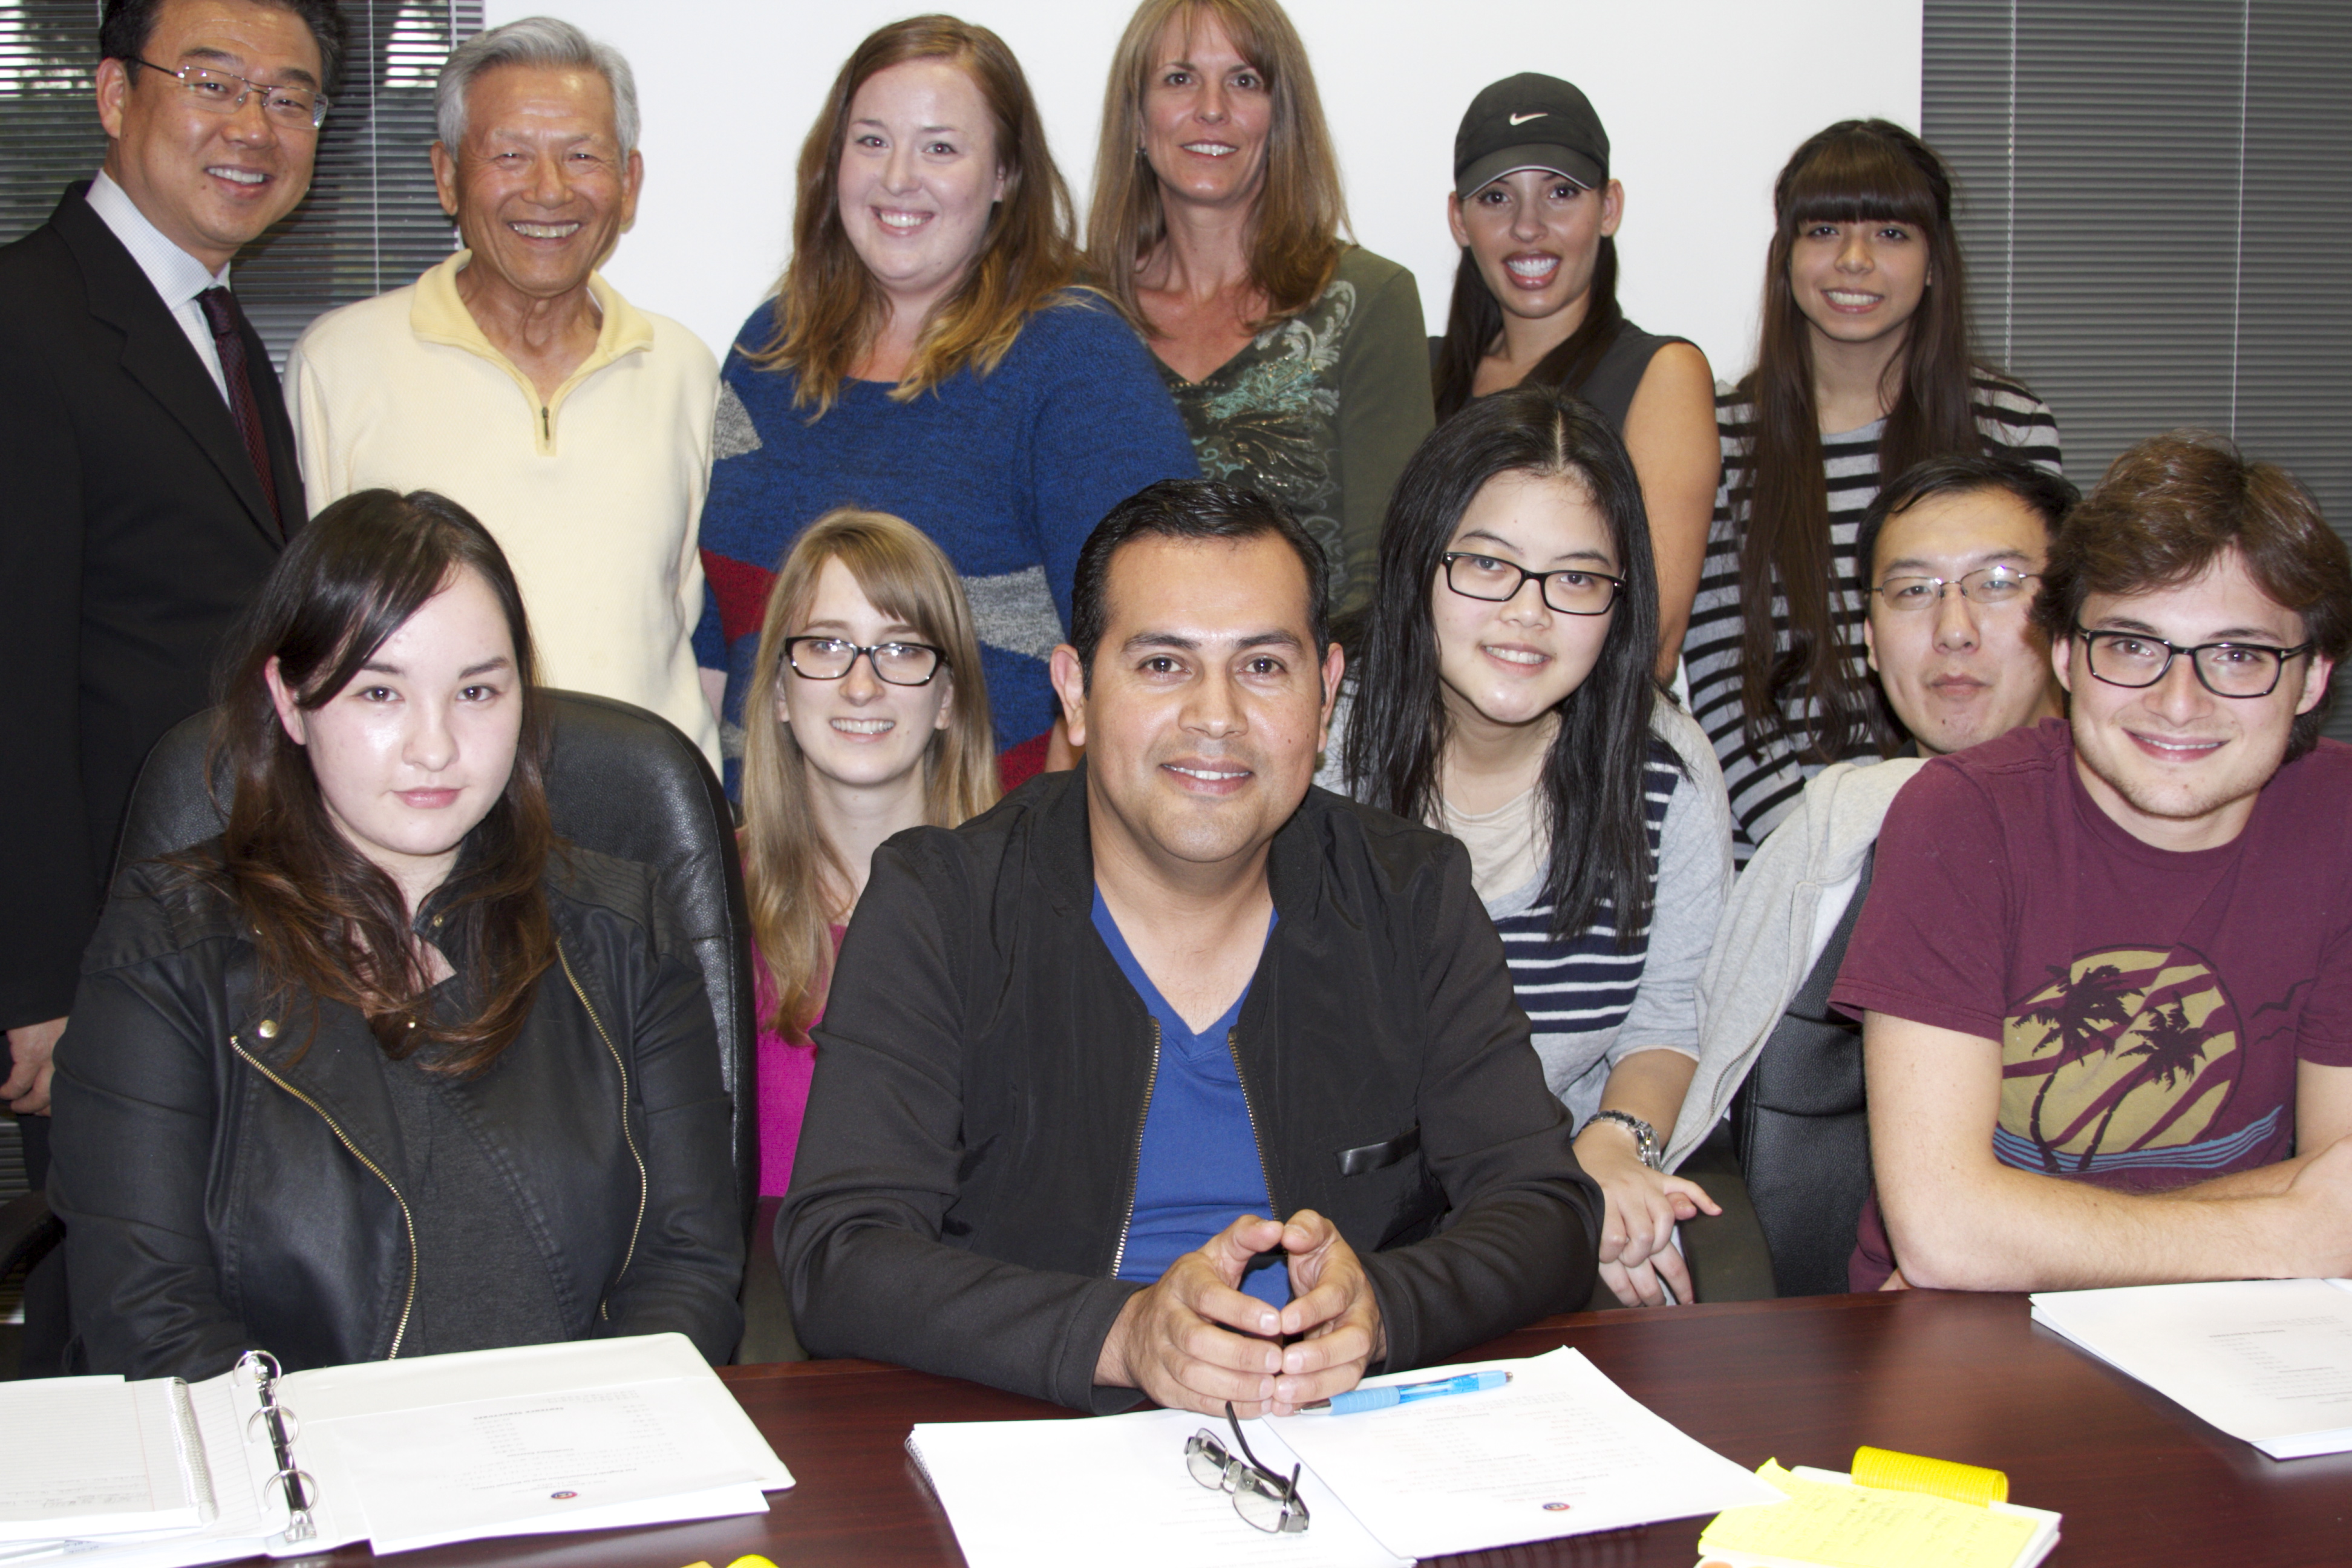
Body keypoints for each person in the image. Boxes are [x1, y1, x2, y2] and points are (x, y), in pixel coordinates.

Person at [779, 479, 1598, 1415]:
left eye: (1262, 667)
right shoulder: (943, 904)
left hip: (1346, 1442)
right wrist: (1120, 1335)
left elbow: (1547, 1210)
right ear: (1077, 693)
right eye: (1163, 665)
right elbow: (840, 1253)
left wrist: (1383, 1308)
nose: (1216, 717)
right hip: (1040, 1447)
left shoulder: (1411, 896)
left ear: (1325, 694)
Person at [48, 489, 743, 1377]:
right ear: (291, 701)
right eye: (381, 690)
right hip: (292, 1481)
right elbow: (149, 1314)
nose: (436, 746)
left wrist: (585, 1454)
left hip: (574, 1473)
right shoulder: (164, 951)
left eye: (478, 692)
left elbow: (687, 1266)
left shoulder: (625, 930)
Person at [1832, 431, 2352, 1293]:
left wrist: (2018, 1237)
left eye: (2238, 654)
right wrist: (2280, 1236)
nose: (2178, 703)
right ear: (2066, 655)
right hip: (1968, 1343)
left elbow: (2341, 1190)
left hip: (2243, 1333)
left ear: (2313, 678)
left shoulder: (2338, 823)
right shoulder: (1960, 818)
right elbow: (1943, 1233)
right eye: (2133, 646)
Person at [0, 0, 341, 1194]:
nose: (254, 124)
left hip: (231, 935)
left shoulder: (216, 326)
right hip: (103, 959)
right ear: (112, 95)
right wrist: (31, 984)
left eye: (290, 96)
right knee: (111, 1324)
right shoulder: (26, 324)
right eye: (213, 80)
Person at [698, 15, 1197, 782]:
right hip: (771, 855)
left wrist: (1038, 859)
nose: (899, 177)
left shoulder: (1077, 363)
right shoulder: (768, 350)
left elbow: (1147, 649)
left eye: (941, 147)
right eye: (871, 141)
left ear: (1004, 176)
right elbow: (719, 641)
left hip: (980, 864)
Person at [1324, 384, 1734, 1308]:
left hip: (1562, 1170)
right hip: (1348, 1187)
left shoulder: (1661, 768)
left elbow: (1669, 1019)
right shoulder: (1320, 739)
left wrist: (1614, 1143)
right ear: (1418, 563)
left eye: (1578, 580)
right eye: (1487, 565)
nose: (1528, 613)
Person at [1666, 452, 2077, 1296]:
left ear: (2075, 619)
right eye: (1914, 591)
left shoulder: (2175, 828)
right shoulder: (1832, 836)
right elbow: (1714, 1098)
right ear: (1869, 636)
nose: (1953, 628)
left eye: (1997, 582)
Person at [286, 18, 722, 769]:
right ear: (448, 176)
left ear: (629, 184)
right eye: (510, 155)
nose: (549, 190)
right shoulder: (341, 362)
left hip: (648, 824)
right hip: (430, 815)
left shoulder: (684, 368)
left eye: (582, 156)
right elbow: (318, 634)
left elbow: (682, 617)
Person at [1679, 119, 2063, 863]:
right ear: (1786, 256)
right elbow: (1728, 699)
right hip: (1787, 857)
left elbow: (2033, 661)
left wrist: (1944, 847)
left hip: (1982, 839)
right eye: (1824, 229)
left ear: (1933, 263)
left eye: (1891, 233)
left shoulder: (2009, 428)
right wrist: (1841, 860)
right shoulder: (1720, 436)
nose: (1854, 261)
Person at [1086, 0, 1433, 621]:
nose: (1212, 107)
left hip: (1320, 698)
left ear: (1281, 119)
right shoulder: (1076, 314)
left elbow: (1391, 573)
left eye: (1245, 81)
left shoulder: (1368, 300)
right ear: (1137, 120)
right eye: (1180, 78)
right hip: (1115, 699)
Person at [737, 509, 998, 1196]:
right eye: (826, 646)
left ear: (947, 697)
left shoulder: (1027, 903)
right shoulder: (704, 905)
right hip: (759, 1296)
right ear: (780, 694)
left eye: (902, 649)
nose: (862, 685)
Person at [1430, 74, 1717, 678]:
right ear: (1459, 219)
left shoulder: (1661, 374)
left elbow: (1653, 638)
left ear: (1609, 207)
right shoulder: (1416, 373)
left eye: (1561, 193)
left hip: (1583, 752)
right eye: (1496, 198)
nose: (1528, 227)